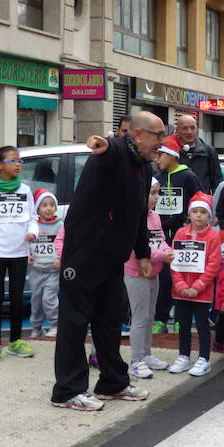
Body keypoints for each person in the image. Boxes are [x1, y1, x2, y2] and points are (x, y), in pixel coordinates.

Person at [51, 112, 163, 411]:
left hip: (112, 257)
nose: (162, 142)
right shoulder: (114, 154)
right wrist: (103, 143)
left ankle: (114, 383)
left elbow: (138, 215)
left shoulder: (143, 166)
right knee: (74, 323)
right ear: (138, 135)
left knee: (110, 322)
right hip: (84, 253)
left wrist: (142, 254)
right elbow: (108, 149)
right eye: (158, 135)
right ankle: (67, 391)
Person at [0, 145, 37, 363]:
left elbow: (32, 218)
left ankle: (15, 341)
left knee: (17, 300)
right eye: (13, 161)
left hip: (19, 252)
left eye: (19, 161)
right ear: (0, 165)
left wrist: (32, 232)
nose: (18, 164)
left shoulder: (25, 190)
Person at [153, 134, 203, 335]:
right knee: (163, 280)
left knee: (183, 277)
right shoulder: (157, 179)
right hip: (161, 237)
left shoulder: (188, 176)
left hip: (183, 237)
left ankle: (182, 318)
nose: (157, 160)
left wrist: (187, 222)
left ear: (172, 156)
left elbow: (199, 201)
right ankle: (161, 318)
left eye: (161, 156)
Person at [124, 179, 174, 379]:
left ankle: (146, 354)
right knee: (139, 317)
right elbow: (138, 248)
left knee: (149, 315)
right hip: (136, 272)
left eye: (157, 193)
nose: (156, 197)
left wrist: (168, 250)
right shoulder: (133, 216)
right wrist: (164, 255)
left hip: (154, 271)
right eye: (152, 193)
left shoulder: (154, 216)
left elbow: (160, 239)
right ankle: (136, 359)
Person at [169, 192, 221, 377]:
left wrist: (198, 286)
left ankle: (204, 358)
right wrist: (181, 285)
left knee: (202, 325)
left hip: (202, 292)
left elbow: (213, 264)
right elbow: (174, 262)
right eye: (195, 211)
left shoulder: (213, 237)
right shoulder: (180, 233)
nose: (199, 215)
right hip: (181, 291)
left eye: (203, 212)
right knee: (183, 324)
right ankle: (184, 355)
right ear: (189, 214)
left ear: (209, 216)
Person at [28, 188, 63, 339]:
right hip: (36, 271)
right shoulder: (33, 225)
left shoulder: (60, 225)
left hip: (52, 272)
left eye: (51, 205)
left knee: (49, 298)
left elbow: (63, 243)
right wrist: (28, 255)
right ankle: (36, 327)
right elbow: (27, 241)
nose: (48, 208)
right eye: (44, 205)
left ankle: (55, 324)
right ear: (37, 209)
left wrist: (59, 258)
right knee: (36, 299)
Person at [175, 113, 222, 194]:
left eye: (192, 128)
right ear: (178, 131)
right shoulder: (171, 152)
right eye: (185, 128)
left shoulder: (208, 151)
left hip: (201, 203)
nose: (189, 132)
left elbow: (216, 181)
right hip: (178, 202)